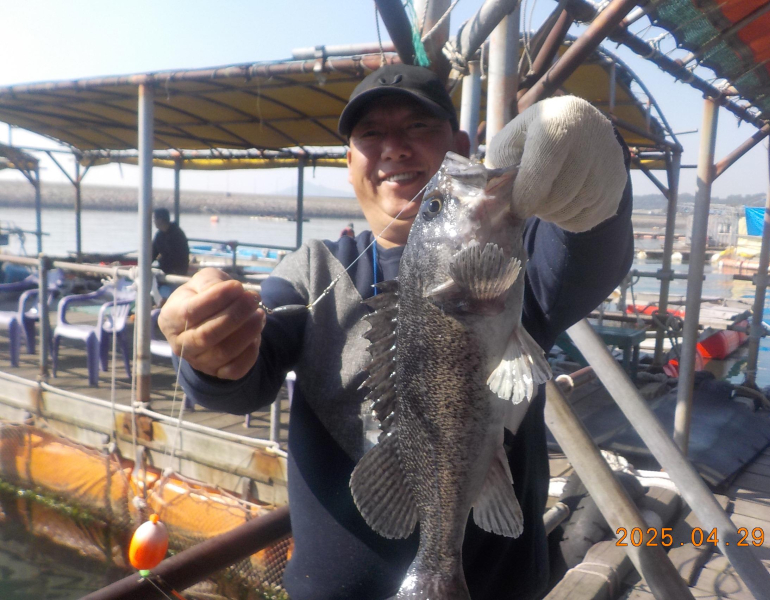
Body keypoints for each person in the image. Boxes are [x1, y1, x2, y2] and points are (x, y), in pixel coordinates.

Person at [158, 64, 633, 600]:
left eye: (418, 127)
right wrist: (209, 351)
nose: (394, 148)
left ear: (461, 146)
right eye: (370, 134)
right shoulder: (313, 271)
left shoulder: (517, 260)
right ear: (349, 163)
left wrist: (598, 156)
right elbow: (244, 382)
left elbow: (592, 249)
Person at [152, 208, 190, 302]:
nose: (153, 221)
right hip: (165, 271)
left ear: (160, 220)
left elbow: (179, 257)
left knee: (165, 292)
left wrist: (161, 262)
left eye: (154, 219)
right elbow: (152, 253)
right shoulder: (159, 235)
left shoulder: (177, 234)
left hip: (177, 272)